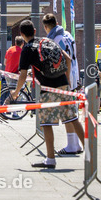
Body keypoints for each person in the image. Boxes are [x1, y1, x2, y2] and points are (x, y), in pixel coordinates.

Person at [11, 19, 76, 169]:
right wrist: (67, 79)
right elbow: (67, 58)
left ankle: (50, 159)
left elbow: (22, 76)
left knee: (46, 124)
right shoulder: (47, 41)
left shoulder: (28, 49)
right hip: (63, 83)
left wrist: (16, 93)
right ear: (35, 31)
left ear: (21, 34)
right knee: (72, 119)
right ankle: (87, 154)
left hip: (48, 87)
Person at [42, 13, 84, 155]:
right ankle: (74, 143)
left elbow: (63, 60)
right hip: (73, 75)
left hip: (65, 78)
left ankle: (73, 145)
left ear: (46, 27)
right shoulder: (68, 35)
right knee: (70, 111)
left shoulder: (56, 39)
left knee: (67, 113)